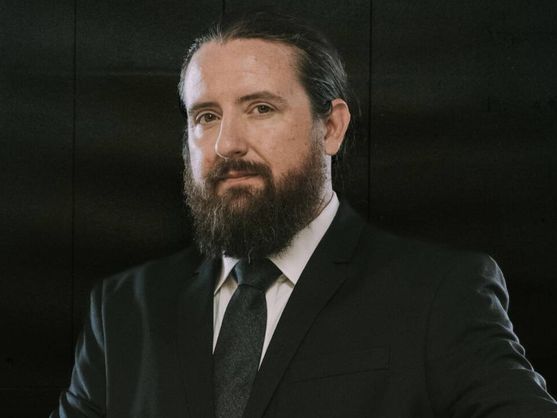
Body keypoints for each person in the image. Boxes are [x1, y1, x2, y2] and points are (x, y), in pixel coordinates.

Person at [52, 10, 557, 418]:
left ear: (331, 128)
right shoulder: (122, 310)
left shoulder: (439, 293)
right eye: (206, 116)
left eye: (261, 108)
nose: (227, 144)